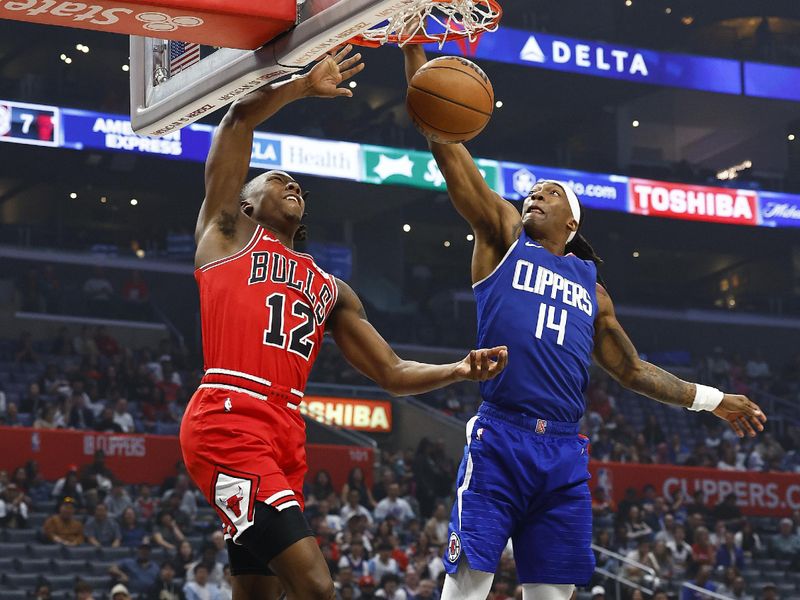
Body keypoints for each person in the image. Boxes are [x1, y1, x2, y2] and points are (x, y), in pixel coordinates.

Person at [400, 42, 767, 600]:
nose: (534, 196)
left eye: (548, 193)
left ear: (571, 220)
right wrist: (418, 64)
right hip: (502, 433)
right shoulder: (502, 236)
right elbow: (449, 150)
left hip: (564, 452)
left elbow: (634, 371)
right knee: (468, 579)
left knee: (553, 594)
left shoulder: (594, 294)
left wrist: (715, 400)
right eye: (532, 191)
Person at [179, 45, 507, 600]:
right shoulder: (226, 235)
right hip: (229, 420)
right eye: (276, 180)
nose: (293, 185)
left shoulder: (332, 289)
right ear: (247, 203)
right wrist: (299, 87)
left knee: (259, 593)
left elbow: (394, 371)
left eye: (297, 183)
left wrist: (460, 368)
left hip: (285, 434)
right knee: (316, 587)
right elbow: (237, 119)